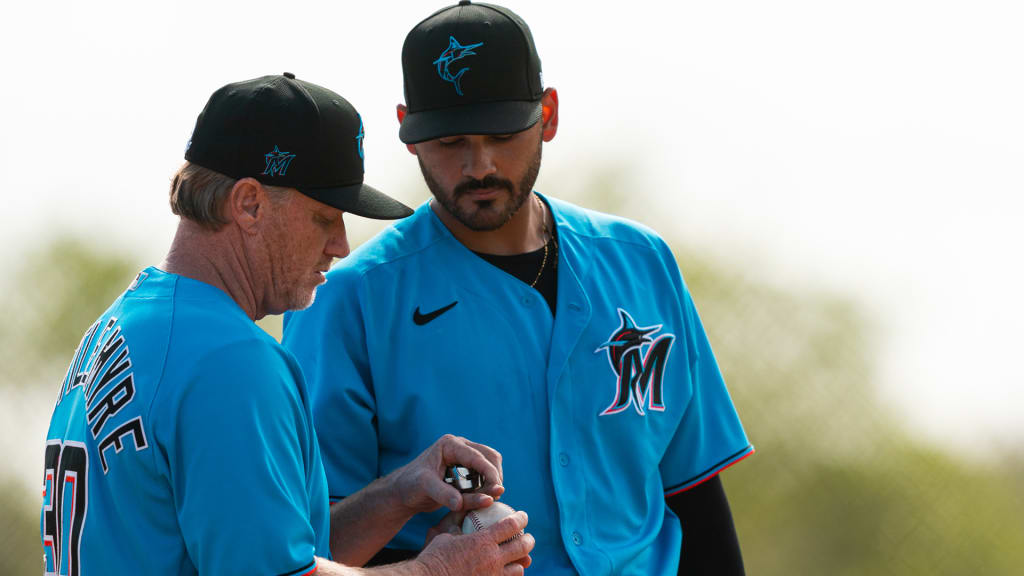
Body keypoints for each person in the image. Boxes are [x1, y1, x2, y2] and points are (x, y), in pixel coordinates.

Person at [284, 2, 755, 574]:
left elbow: (694, 493)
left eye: (503, 134)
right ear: (408, 131)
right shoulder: (350, 299)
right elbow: (309, 543)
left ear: (548, 115)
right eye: (451, 140)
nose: (478, 165)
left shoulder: (642, 261)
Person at [40, 72, 534, 576]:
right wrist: (439, 571)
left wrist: (399, 492)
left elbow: (277, 555)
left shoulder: (124, 327)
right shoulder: (227, 359)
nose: (341, 244)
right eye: (325, 216)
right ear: (250, 204)